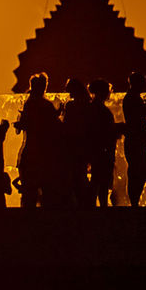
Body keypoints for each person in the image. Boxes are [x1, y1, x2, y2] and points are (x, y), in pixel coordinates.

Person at [15, 73, 61, 208]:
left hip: (30, 151)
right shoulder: (45, 105)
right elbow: (53, 125)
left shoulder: (29, 104)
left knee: (29, 192)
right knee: (46, 191)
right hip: (44, 153)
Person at [122, 73, 146, 206]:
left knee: (136, 171)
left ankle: (134, 201)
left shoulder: (131, 97)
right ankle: (134, 202)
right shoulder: (134, 98)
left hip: (134, 140)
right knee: (138, 171)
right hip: (136, 141)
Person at [61, 78, 94, 208]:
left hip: (73, 145)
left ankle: (78, 202)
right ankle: (85, 201)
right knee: (82, 174)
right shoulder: (88, 104)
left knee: (75, 174)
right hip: (84, 144)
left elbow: (66, 125)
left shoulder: (71, 106)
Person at [87, 80, 118, 207]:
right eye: (107, 91)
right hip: (102, 151)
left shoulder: (91, 108)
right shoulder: (100, 110)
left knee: (96, 180)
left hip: (95, 150)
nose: (109, 93)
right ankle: (102, 207)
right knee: (102, 182)